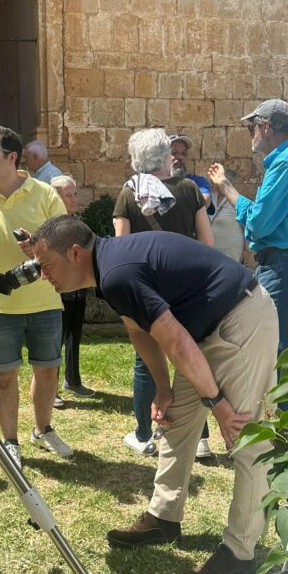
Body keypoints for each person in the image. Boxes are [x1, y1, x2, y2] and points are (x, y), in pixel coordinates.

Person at [31, 215, 279, 574]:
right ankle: (164, 518)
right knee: (176, 421)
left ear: (75, 253)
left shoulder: (117, 273)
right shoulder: (107, 271)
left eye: (45, 265)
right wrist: (163, 389)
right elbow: (140, 333)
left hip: (240, 320)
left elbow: (176, 342)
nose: (42, 275)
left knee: (245, 436)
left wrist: (217, 403)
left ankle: (239, 553)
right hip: (205, 330)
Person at [0, 126, 73, 467]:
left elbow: (67, 239)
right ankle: (10, 440)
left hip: (45, 299)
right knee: (4, 374)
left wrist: (38, 246)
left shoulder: (44, 192)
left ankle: (43, 430)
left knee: (47, 371)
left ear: (11, 156)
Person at [113, 128, 213, 457]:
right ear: (166, 156)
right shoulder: (188, 189)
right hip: (185, 285)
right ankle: (199, 439)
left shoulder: (129, 194)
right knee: (192, 356)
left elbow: (121, 247)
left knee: (146, 361)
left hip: (147, 288)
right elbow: (207, 243)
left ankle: (144, 434)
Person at [208, 99, 288, 355]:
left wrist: (226, 187)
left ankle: (282, 397)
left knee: (277, 348)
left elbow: (260, 223)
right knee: (273, 345)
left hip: (282, 265)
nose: (250, 135)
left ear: (266, 127)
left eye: (250, 128)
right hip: (281, 263)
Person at [50, 174, 96, 408]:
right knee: (55, 338)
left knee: (74, 335)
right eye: (69, 194)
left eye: (75, 193)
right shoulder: (52, 223)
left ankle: (73, 380)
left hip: (78, 288)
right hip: (59, 289)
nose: (74, 198)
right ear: (57, 196)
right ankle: (52, 389)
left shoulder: (75, 221)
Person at [168, 135, 213, 211]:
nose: (180, 157)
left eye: (184, 153)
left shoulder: (198, 182)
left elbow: (204, 201)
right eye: (174, 152)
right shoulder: (155, 182)